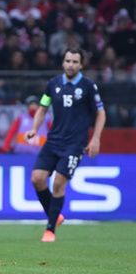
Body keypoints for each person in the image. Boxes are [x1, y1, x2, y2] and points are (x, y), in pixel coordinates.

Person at [24, 48, 105, 242]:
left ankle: (50, 229)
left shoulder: (88, 86)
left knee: (59, 182)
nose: (71, 65)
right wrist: (35, 128)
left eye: (75, 62)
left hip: (75, 144)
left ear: (81, 65)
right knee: (37, 178)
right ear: (63, 63)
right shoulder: (53, 84)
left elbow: (101, 113)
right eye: (68, 61)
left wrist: (95, 139)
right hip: (54, 141)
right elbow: (43, 107)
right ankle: (56, 215)